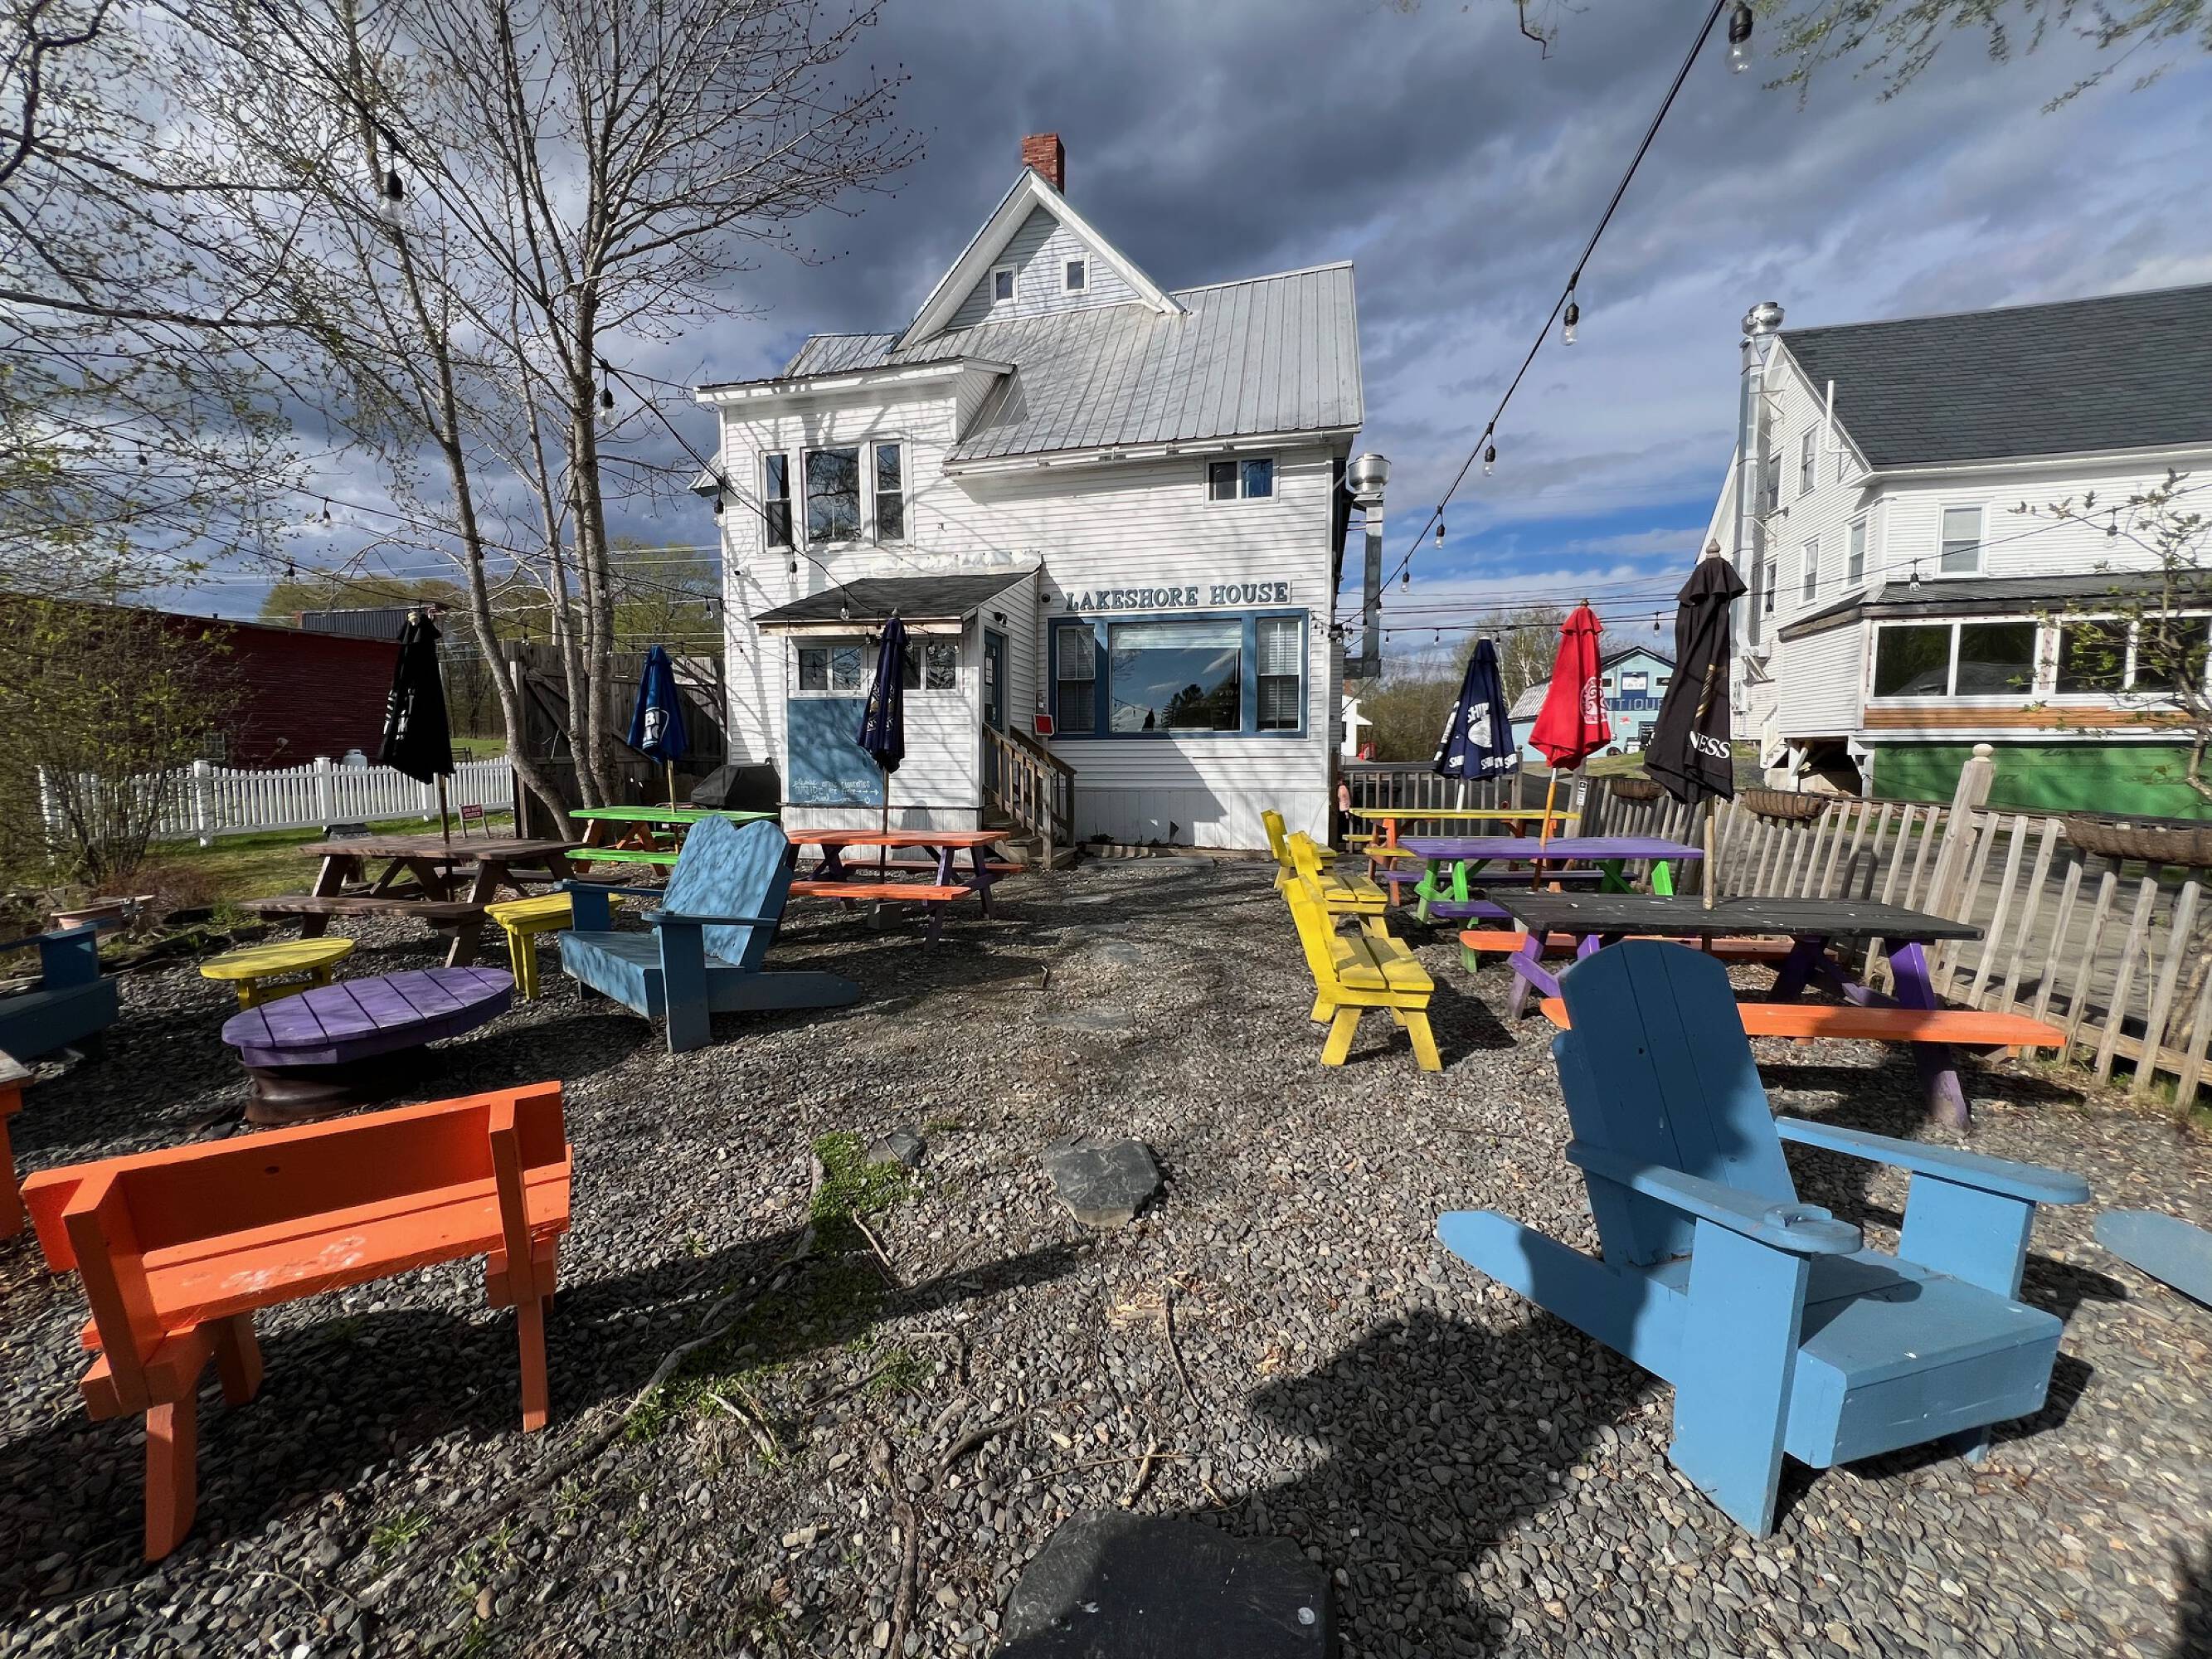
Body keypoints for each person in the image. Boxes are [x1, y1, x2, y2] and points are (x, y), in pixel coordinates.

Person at [1334, 776, 1352, 849]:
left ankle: (1342, 843)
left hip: (1342, 810)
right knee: (1343, 826)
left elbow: (1343, 799)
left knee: (1342, 826)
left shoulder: (1341, 788)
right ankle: (1343, 842)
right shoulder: (1342, 788)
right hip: (1343, 810)